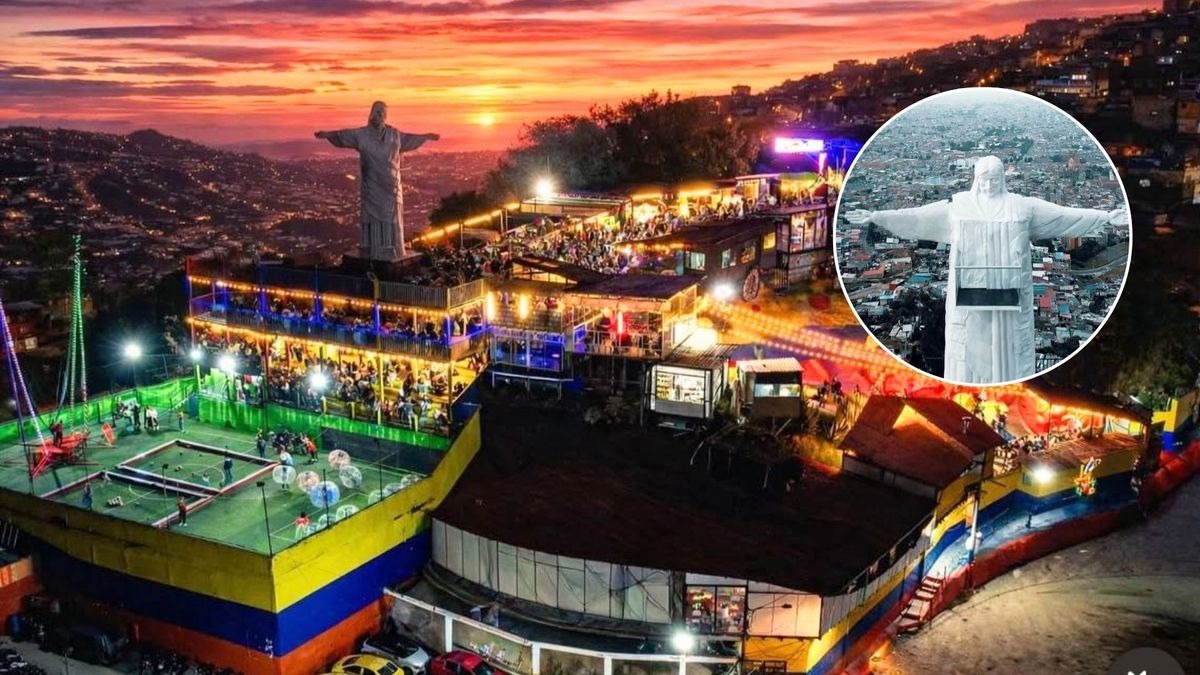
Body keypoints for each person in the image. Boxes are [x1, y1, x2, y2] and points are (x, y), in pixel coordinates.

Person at [844, 155, 1128, 383]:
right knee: (965, 358)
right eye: (984, 179)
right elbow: (916, 218)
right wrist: (875, 216)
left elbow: (1064, 216)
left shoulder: (1022, 208)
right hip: (969, 301)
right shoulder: (958, 207)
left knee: (1010, 358)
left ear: (1002, 179)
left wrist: (1105, 217)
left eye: (995, 180)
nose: (989, 185)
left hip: (1010, 301)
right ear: (975, 179)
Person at [314, 102, 440, 261]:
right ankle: (371, 250)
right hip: (372, 184)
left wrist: (426, 136)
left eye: (382, 112)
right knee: (372, 218)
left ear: (385, 116)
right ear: (371, 114)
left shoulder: (394, 135)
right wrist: (328, 135)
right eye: (376, 112)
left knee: (391, 217)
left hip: (391, 185)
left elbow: (409, 139)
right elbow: (343, 136)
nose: (379, 115)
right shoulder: (362, 134)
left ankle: (393, 248)